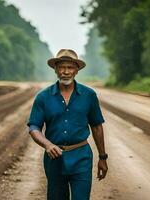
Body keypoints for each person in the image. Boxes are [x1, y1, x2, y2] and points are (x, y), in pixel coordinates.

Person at [27, 49, 108, 200]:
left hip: (81, 157)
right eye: (62, 67)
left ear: (76, 70)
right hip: (54, 159)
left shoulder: (89, 95)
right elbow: (34, 127)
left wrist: (103, 158)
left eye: (70, 67)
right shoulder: (43, 97)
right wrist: (47, 144)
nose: (65, 72)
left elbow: (97, 126)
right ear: (55, 69)